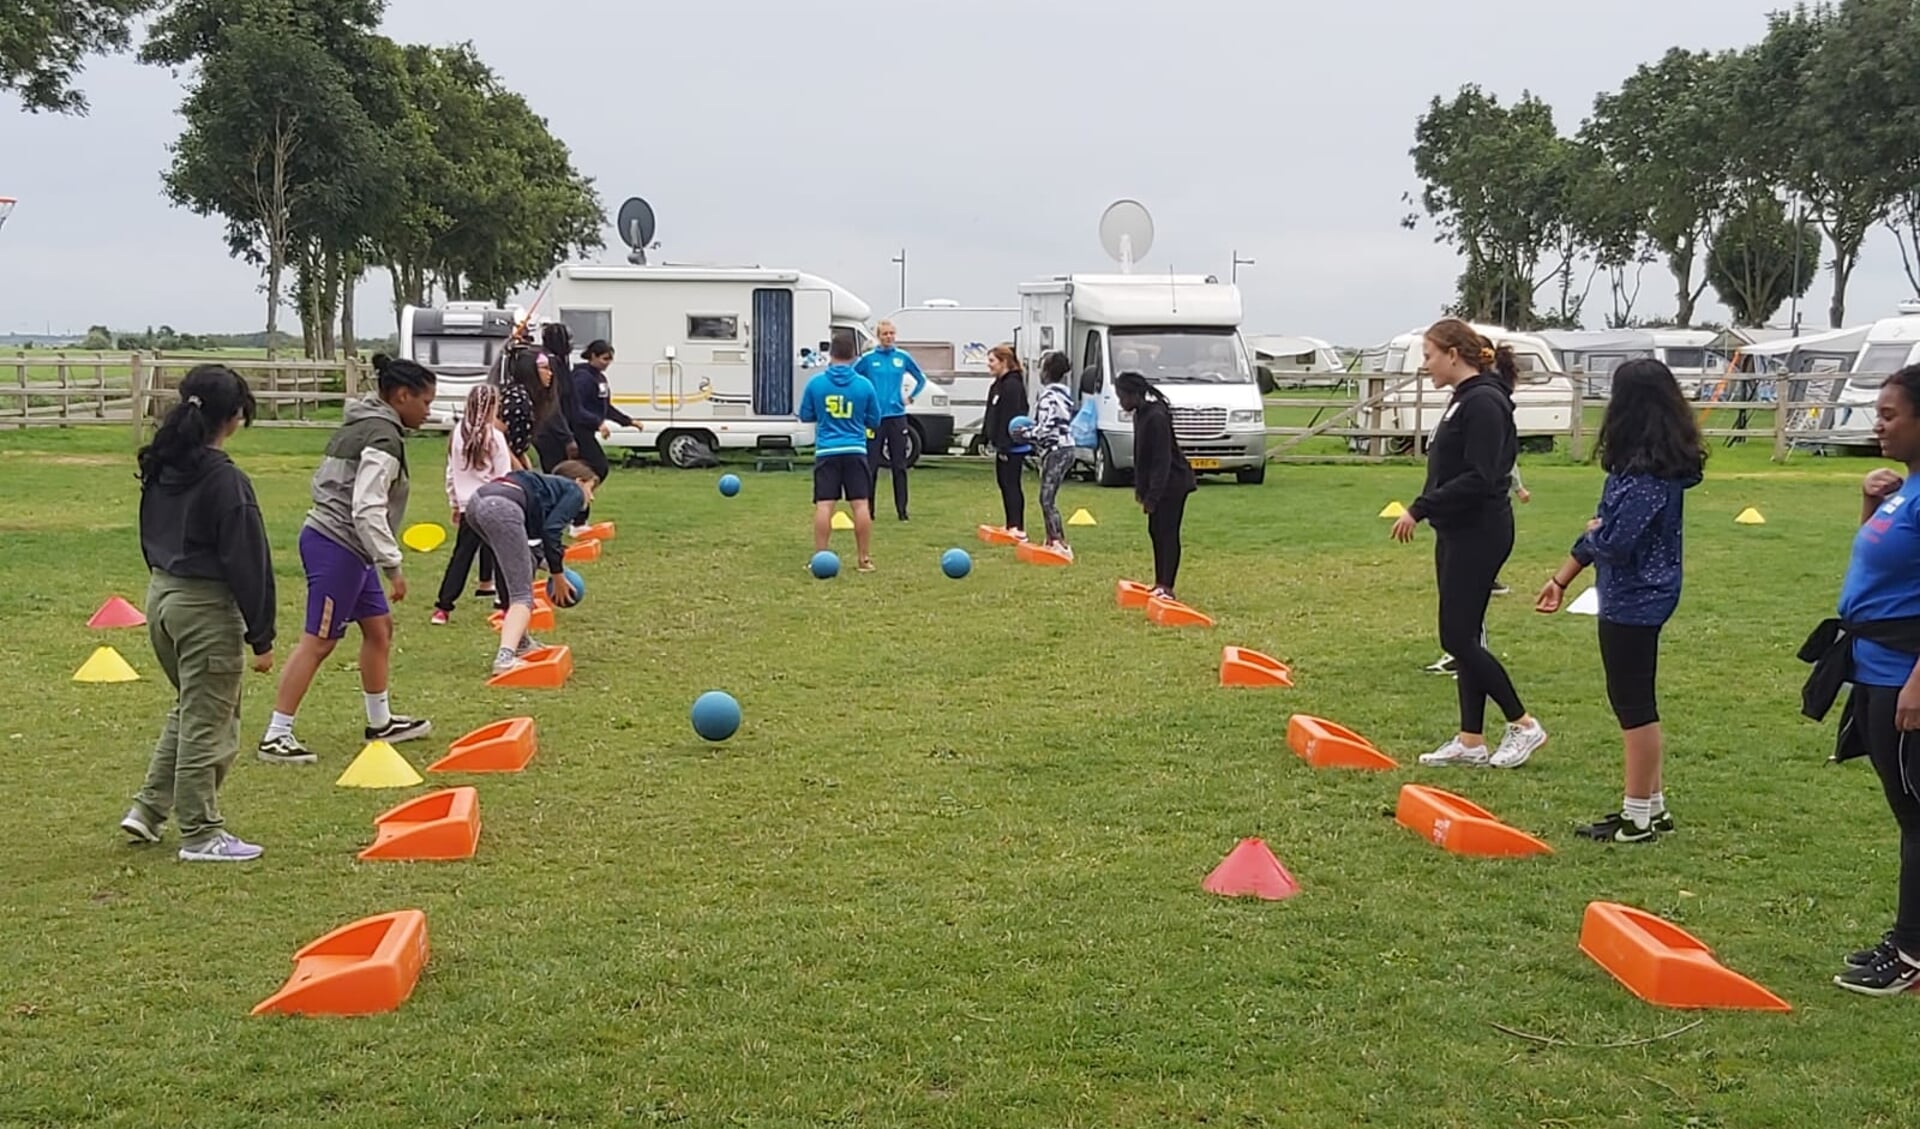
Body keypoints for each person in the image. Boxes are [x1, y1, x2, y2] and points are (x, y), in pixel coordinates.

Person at [1535, 359, 1704, 842]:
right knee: (1633, 699)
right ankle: (1653, 807)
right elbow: (1603, 531)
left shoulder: (1650, 476)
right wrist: (1563, 575)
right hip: (1630, 592)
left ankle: (1637, 818)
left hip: (1638, 597)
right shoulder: (1640, 468)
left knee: (1633, 704)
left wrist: (1596, 531)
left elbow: (1615, 540)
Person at [122, 365, 275, 862]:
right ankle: (201, 832)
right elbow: (247, 560)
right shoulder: (226, 480)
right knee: (212, 721)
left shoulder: (163, 464)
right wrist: (262, 634)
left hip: (162, 596)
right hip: (204, 608)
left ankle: (148, 810)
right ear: (233, 418)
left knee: (192, 708)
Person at [257, 355, 436, 764]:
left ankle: (381, 722)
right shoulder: (382, 437)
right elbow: (367, 507)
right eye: (425, 402)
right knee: (319, 641)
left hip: (352, 548)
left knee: (379, 628)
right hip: (336, 544)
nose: (429, 411)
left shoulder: (365, 423)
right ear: (402, 396)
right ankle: (276, 735)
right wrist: (392, 563)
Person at [1393, 319, 1547, 770]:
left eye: (1429, 355)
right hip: (1457, 529)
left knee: (1457, 637)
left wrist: (1419, 507)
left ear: (1453, 355)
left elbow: (1481, 478)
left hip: (1481, 532)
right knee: (1465, 637)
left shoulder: (1483, 403)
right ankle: (1470, 739)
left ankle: (1523, 724)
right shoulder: (1462, 400)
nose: (1425, 366)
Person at [1819, 364, 1920, 995]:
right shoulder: (1906, 489)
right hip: (1874, 667)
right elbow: (1878, 565)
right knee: (1908, 813)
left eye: (1889, 415)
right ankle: (1911, 936)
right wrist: (1870, 502)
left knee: (1918, 817)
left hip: (1905, 676)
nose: (1876, 425)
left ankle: (1913, 956)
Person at [465, 462, 596, 675]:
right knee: (522, 595)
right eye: (591, 489)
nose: (591, 498)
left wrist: (554, 566)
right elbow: (552, 532)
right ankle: (505, 658)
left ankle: (522, 642)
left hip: (477, 502)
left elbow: (533, 549)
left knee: (512, 574)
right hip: (501, 508)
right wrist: (558, 576)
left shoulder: (543, 490)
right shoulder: (573, 491)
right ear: (580, 482)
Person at [798, 333, 881, 571]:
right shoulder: (864, 385)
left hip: (827, 451)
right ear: (855, 355)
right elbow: (874, 419)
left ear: (830, 354)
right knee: (860, 505)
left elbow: (805, 414)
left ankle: (820, 557)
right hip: (855, 449)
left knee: (825, 505)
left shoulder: (816, 383)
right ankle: (864, 559)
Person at [432, 384, 513, 626]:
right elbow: (504, 476)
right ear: (493, 407)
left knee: (462, 556)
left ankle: (443, 608)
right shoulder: (496, 437)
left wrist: (455, 503)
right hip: (493, 503)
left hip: (469, 506)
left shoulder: (457, 433)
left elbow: (451, 473)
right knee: (502, 554)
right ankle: (506, 604)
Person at [1117, 371, 1194, 600]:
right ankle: (1160, 583)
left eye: (1122, 396)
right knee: (1155, 531)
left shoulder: (1157, 417)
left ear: (1134, 394)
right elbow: (1142, 457)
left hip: (1174, 482)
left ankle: (1167, 586)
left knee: (1167, 532)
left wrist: (1153, 497)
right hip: (1157, 484)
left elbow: (1162, 460)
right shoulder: (1140, 415)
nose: (1121, 402)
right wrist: (1140, 489)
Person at [855, 320, 927, 522]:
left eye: (892, 333)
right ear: (878, 336)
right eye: (885, 333)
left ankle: (902, 511)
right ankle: (869, 511)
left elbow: (921, 379)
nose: (889, 337)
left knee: (900, 465)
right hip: (875, 418)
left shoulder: (902, 357)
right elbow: (853, 377)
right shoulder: (868, 359)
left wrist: (910, 397)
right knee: (871, 465)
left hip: (897, 416)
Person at [566, 339, 636, 527]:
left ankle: (579, 517)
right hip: (577, 431)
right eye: (605, 358)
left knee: (583, 474)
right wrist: (597, 423)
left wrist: (628, 421)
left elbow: (605, 407)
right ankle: (578, 507)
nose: (608, 363)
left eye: (611, 359)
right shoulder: (582, 378)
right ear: (593, 356)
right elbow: (576, 408)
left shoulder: (600, 378)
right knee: (598, 468)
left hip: (588, 430)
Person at [980, 344, 1030, 538]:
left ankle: (1018, 527)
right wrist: (986, 436)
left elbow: (1012, 416)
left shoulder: (1013, 385)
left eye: (992, 361)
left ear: (1004, 362)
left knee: (1012, 483)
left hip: (1012, 446)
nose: (989, 365)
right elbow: (992, 414)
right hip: (1001, 444)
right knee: (1003, 482)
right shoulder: (997, 385)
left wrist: (1006, 443)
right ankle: (1010, 524)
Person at [1032, 350, 1077, 557]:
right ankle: (1051, 539)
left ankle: (1059, 542)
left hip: (1057, 450)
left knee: (1047, 498)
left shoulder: (1049, 396)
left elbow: (1046, 426)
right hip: (1064, 448)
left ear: (1047, 371)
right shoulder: (1064, 394)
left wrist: (1024, 434)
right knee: (1047, 497)